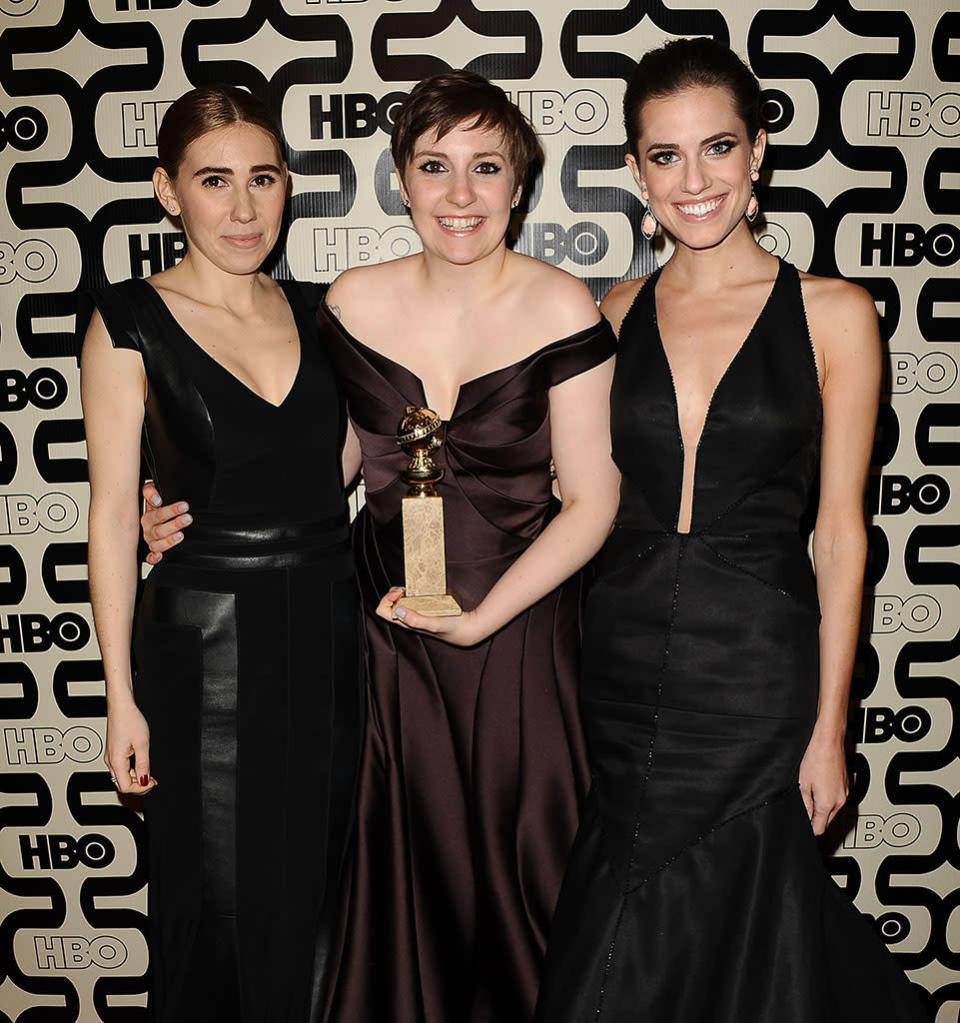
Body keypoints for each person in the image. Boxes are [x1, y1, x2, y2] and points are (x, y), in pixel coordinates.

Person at [142, 70, 619, 1023]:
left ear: (520, 184)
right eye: (434, 166)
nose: (459, 196)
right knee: (403, 885)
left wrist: (484, 618)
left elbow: (596, 500)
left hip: (517, 640)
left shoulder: (565, 305)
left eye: (486, 169)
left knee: (525, 886)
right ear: (400, 179)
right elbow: (315, 468)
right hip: (385, 644)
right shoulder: (349, 301)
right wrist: (170, 513)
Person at [534, 38, 930, 1022]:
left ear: (758, 152)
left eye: (717, 148)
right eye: (665, 156)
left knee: (748, 943)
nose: (693, 179)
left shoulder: (835, 312)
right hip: (622, 671)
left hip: (758, 677)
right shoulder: (606, 313)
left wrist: (831, 727)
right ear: (634, 172)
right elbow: (514, 473)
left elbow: (841, 537)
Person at [81, 85, 362, 1022]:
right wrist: (120, 696)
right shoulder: (128, 321)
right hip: (201, 653)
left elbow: (350, 462)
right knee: (214, 912)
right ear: (169, 192)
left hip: (330, 637)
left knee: (320, 905)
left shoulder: (327, 313)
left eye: (263, 179)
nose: (243, 208)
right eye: (213, 181)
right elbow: (114, 516)